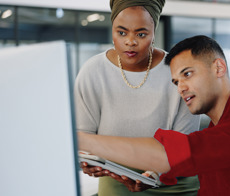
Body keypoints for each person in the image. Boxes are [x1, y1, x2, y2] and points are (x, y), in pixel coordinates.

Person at [78, 35, 230, 195]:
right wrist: (151, 178)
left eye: (187, 74)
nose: (181, 88)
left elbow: (173, 154)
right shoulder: (216, 129)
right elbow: (181, 161)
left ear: (218, 68)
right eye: (176, 81)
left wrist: (79, 139)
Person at [74, 0, 200, 195]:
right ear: (113, 30)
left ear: (154, 33)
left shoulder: (176, 71)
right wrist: (87, 161)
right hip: (116, 180)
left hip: (174, 182)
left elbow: (185, 142)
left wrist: (154, 174)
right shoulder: (93, 72)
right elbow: (83, 137)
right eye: (121, 32)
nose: (130, 42)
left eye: (141, 34)